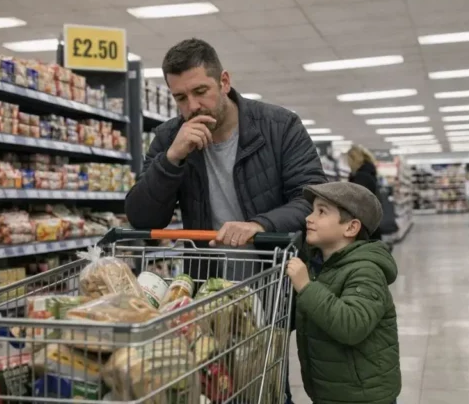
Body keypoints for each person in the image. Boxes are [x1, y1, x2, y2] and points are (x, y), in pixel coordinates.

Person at [124, 38, 326, 404]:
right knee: (211, 391)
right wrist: (171, 160)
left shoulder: (279, 126)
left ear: (225, 82)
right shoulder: (170, 137)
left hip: (271, 286)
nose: (192, 106)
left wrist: (261, 224)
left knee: (265, 388)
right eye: (180, 98)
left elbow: (313, 200)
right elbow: (141, 218)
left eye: (201, 91)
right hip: (206, 293)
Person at [286, 182, 400, 404]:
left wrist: (306, 287)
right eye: (312, 210)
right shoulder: (319, 266)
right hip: (332, 392)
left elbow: (352, 326)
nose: (309, 218)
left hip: (364, 397)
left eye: (321, 212)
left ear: (351, 228)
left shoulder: (366, 270)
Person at [346, 145, 397, 241]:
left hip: (365, 225)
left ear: (353, 159)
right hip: (372, 222)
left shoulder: (361, 177)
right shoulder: (369, 173)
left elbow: (359, 202)